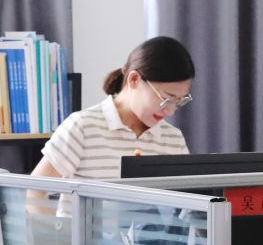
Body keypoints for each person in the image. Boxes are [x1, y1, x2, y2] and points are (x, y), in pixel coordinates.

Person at [33, 36, 194, 181]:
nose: (171, 111)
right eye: (166, 99)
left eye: (179, 101)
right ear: (134, 79)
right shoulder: (83, 127)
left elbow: (186, 201)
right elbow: (35, 189)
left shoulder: (173, 139)